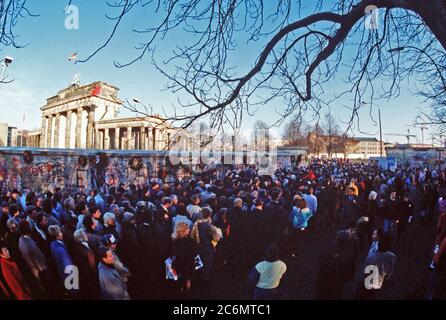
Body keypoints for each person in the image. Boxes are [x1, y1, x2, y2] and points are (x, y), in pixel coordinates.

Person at [315, 231, 357, 299]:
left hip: (325, 280)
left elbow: (320, 258)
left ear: (337, 239)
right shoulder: (349, 254)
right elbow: (351, 272)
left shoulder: (329, 249)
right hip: (338, 282)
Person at [356, 234, 397, 299]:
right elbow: (390, 270)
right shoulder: (393, 257)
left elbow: (364, 273)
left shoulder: (371, 258)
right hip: (380, 282)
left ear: (378, 244)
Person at [72, 229, 100, 299]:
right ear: (81, 238)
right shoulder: (86, 252)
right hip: (91, 276)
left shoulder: (75, 246)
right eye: (84, 234)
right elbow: (93, 266)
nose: (86, 235)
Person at [171, 221, 198, 293]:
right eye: (188, 229)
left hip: (179, 263)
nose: (189, 229)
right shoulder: (191, 241)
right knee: (188, 279)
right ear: (184, 231)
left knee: (181, 278)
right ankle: (188, 292)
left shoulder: (174, 241)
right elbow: (195, 252)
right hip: (189, 264)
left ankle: (181, 289)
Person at [48, 225, 74, 296]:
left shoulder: (52, 244)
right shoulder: (60, 250)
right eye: (60, 232)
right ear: (57, 236)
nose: (62, 233)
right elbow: (69, 267)